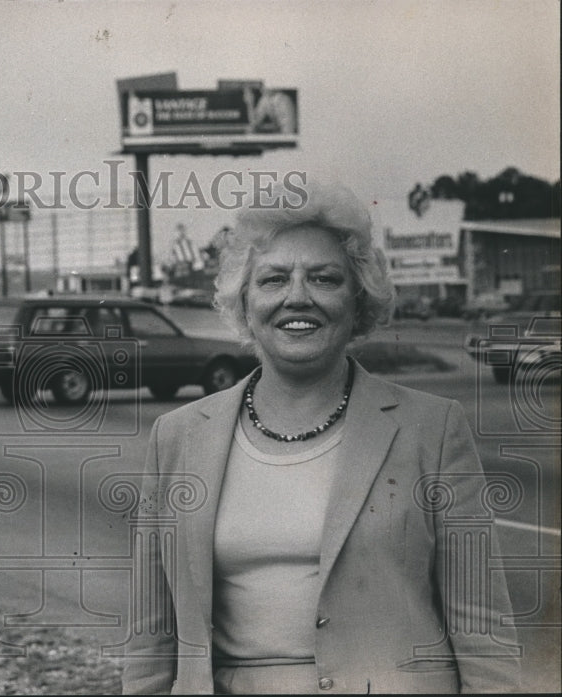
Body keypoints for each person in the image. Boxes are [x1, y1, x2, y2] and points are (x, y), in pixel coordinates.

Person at [121, 180, 520, 694]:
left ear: (358, 302)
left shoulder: (434, 428)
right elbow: (150, 641)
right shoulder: (176, 437)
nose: (297, 297)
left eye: (324, 279)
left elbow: (483, 634)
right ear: (244, 302)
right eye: (273, 280)